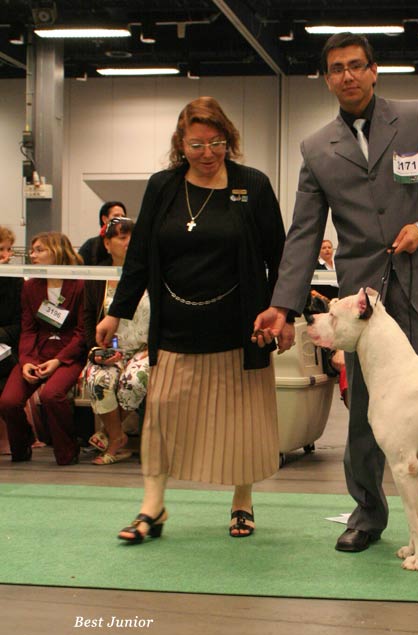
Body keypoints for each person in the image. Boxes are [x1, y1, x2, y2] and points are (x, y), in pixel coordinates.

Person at [253, 33, 418, 561]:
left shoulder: (415, 118)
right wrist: (284, 304)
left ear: (375, 70)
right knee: (365, 416)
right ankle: (367, 517)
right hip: (362, 305)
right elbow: (303, 232)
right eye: (337, 68)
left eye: (357, 65)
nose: (348, 75)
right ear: (327, 78)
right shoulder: (316, 148)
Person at [95, 96, 286, 543]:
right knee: (161, 417)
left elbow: (280, 257)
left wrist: (284, 313)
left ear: (229, 140)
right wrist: (116, 313)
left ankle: (242, 500)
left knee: (241, 420)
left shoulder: (251, 185)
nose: (207, 153)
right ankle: (152, 509)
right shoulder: (162, 186)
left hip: (239, 327)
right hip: (177, 327)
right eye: (196, 144)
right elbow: (139, 258)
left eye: (216, 142)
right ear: (181, 143)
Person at [0, 232, 86, 465]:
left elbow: (82, 332)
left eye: (39, 250)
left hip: (67, 354)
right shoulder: (31, 287)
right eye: (32, 250)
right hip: (36, 352)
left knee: (51, 395)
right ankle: (22, 445)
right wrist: (27, 360)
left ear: (57, 252)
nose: (32, 254)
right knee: (8, 401)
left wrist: (58, 360)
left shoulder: (80, 285)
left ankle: (68, 449)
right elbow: (27, 328)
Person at [82, 216, 149, 465]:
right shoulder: (97, 275)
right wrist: (96, 350)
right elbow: (88, 319)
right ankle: (118, 436)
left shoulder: (152, 273)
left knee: (133, 380)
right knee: (99, 377)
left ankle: (110, 436)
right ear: (107, 244)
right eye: (122, 237)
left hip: (146, 349)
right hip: (111, 349)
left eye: (133, 236)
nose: (129, 242)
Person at [0, 226, 23, 455]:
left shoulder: (16, 282)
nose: (6, 256)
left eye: (9, 250)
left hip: (10, 347)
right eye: (0, 250)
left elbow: (21, 325)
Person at [79, 201, 127, 266]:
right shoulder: (91, 246)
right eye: (116, 216)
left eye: (123, 216)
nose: (121, 219)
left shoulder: (131, 244)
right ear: (104, 219)